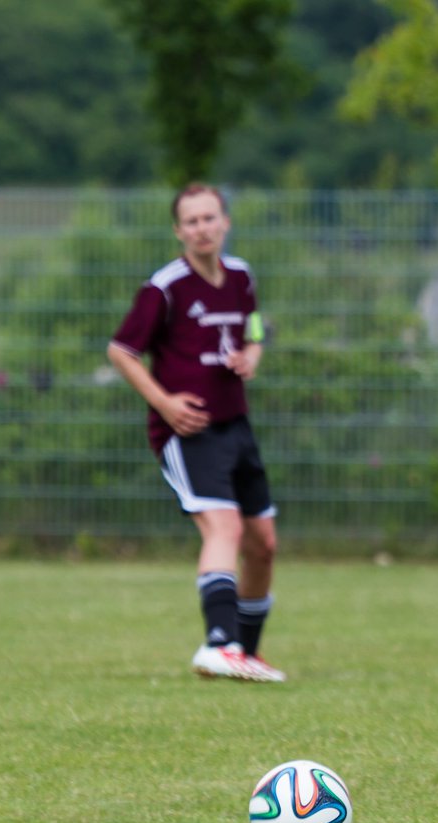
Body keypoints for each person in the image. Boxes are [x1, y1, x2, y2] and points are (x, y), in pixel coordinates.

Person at [107, 184, 284, 683]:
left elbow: (252, 324)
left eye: (210, 218)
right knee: (223, 528)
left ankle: (243, 654)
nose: (202, 228)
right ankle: (218, 643)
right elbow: (121, 351)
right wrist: (165, 403)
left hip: (236, 424)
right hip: (186, 430)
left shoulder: (242, 275)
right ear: (178, 230)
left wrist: (253, 353)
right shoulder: (165, 287)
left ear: (225, 221)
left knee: (263, 542)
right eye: (191, 221)